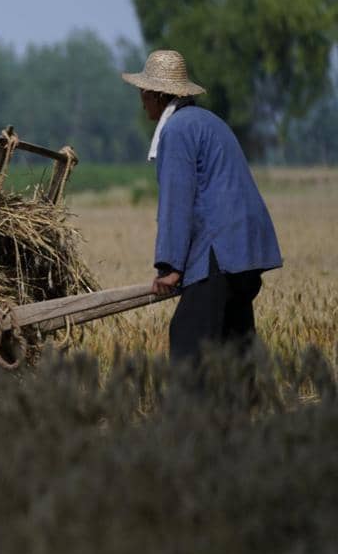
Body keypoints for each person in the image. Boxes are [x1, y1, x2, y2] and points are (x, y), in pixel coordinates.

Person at [121, 49, 282, 366]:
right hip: (247, 251)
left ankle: (189, 415)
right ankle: (242, 413)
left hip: (219, 251)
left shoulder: (178, 130)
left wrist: (171, 266)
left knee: (188, 343)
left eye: (142, 91)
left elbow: (177, 200)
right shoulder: (209, 121)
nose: (140, 99)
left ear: (155, 94)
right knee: (234, 345)